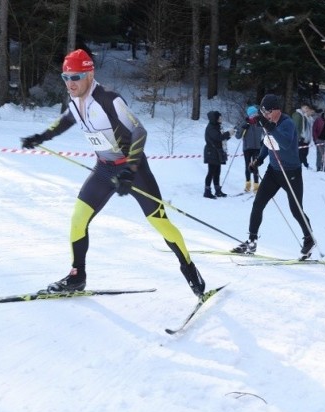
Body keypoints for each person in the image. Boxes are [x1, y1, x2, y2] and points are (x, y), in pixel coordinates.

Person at [20, 49, 206, 297]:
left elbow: (139, 132)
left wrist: (130, 170)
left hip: (133, 167)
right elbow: (65, 121)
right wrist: (40, 137)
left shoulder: (109, 99)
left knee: (159, 223)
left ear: (89, 74)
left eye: (75, 76)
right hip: (104, 169)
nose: (70, 83)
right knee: (78, 220)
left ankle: (190, 269)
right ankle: (77, 276)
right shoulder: (76, 100)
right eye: (65, 77)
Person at [231, 94, 315, 259]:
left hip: (291, 173)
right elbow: (267, 143)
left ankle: (309, 238)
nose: (266, 115)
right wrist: (259, 160)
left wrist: (270, 127)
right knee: (258, 204)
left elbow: (284, 143)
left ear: (276, 110)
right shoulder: (269, 123)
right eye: (263, 112)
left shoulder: (287, 123)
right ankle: (252, 241)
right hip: (274, 171)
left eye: (268, 112)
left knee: (296, 210)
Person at [203, 111, 234, 198]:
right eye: (219, 117)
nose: (221, 119)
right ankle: (207, 191)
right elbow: (218, 137)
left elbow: (221, 139)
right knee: (211, 172)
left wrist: (229, 135)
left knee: (217, 172)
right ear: (215, 118)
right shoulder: (211, 128)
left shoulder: (217, 126)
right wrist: (228, 133)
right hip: (211, 152)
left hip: (217, 152)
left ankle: (217, 190)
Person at [235, 105, 263, 192]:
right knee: (248, 166)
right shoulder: (245, 123)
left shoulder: (260, 123)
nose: (255, 115)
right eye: (253, 114)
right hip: (247, 148)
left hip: (257, 148)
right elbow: (238, 136)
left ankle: (256, 186)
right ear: (249, 115)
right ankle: (248, 184)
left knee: (255, 166)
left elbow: (265, 133)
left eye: (256, 113)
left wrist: (262, 142)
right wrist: (243, 128)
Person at [291, 104, 314, 169]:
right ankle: (299, 165)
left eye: (307, 108)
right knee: (301, 153)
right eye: (305, 108)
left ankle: (303, 164)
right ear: (302, 108)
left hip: (305, 138)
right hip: (300, 138)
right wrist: (299, 137)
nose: (306, 110)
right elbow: (296, 127)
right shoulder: (298, 115)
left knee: (304, 153)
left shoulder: (303, 116)